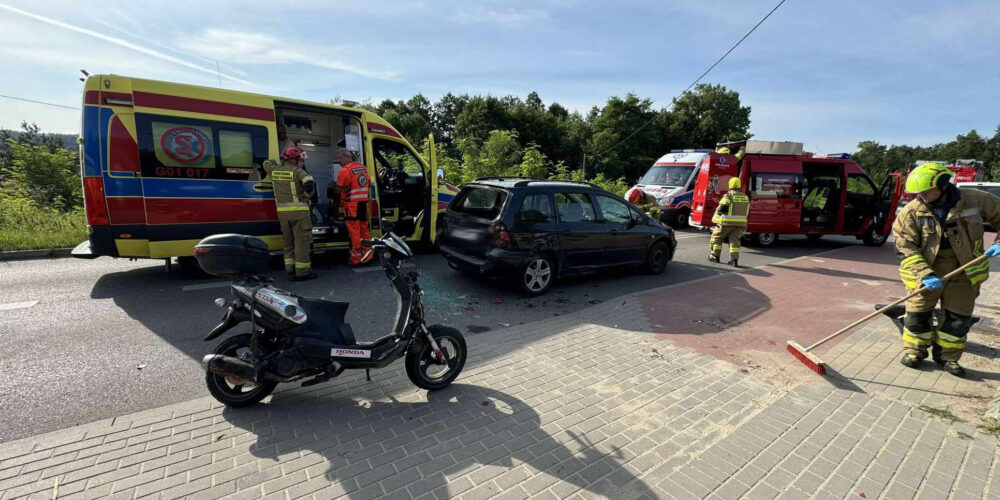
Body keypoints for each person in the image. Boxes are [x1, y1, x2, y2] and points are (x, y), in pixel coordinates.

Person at [893, 163, 1000, 376]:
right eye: (918, 193)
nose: (921, 196)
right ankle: (915, 351)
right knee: (917, 314)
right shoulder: (911, 212)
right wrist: (926, 274)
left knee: (957, 318)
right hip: (927, 270)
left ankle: (948, 358)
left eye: (926, 191)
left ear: (943, 186)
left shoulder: (977, 200)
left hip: (965, 270)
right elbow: (905, 246)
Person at [265, 147, 317, 281]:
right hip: (299, 213)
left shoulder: (274, 170)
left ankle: (290, 269)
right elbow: (309, 183)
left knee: (288, 243)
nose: (302, 162)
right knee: (301, 243)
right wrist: (307, 195)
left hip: (283, 214)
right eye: (300, 159)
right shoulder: (298, 171)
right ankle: (303, 272)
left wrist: (281, 158)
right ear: (294, 160)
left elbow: (266, 162)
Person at [334, 148, 372, 266]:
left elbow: (338, 190)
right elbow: (369, 184)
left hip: (351, 206)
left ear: (347, 157)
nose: (338, 161)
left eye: (340, 158)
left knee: (354, 232)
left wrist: (336, 198)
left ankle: (356, 259)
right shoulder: (363, 168)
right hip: (363, 204)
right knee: (364, 230)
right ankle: (368, 256)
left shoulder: (344, 171)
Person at [709, 177, 750, 266]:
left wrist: (719, 211)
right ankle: (734, 260)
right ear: (739, 185)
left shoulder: (728, 195)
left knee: (716, 238)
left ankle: (715, 256)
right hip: (740, 224)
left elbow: (723, 207)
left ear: (730, 185)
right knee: (734, 241)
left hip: (726, 223)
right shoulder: (745, 197)